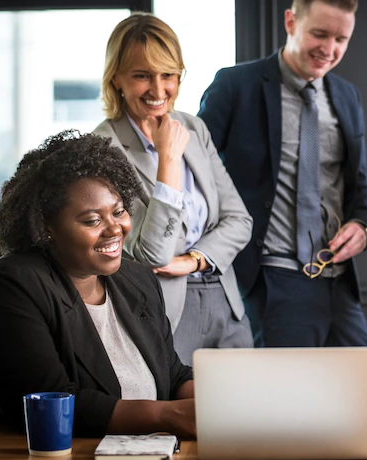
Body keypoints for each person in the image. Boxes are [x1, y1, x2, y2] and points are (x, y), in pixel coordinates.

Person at [199, 0, 367, 419]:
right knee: (284, 413)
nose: (330, 48)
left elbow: (357, 183)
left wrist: (363, 225)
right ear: (291, 21)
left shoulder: (346, 95)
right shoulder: (235, 85)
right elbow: (197, 173)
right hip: (272, 281)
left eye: (341, 39)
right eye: (320, 34)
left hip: (338, 283)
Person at [0, 131, 196, 437]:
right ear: (47, 227)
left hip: (140, 451)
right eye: (92, 220)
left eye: (118, 211)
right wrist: (169, 415)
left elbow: (172, 376)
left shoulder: (136, 279)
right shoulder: (11, 286)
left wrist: (219, 398)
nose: (114, 228)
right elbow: (49, 401)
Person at [93, 13, 254, 365]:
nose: (158, 88)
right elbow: (152, 254)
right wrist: (168, 159)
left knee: (245, 415)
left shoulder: (193, 128)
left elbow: (239, 220)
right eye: (142, 76)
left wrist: (194, 260)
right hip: (163, 309)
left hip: (224, 300)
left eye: (168, 75)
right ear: (117, 78)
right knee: (178, 417)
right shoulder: (103, 148)